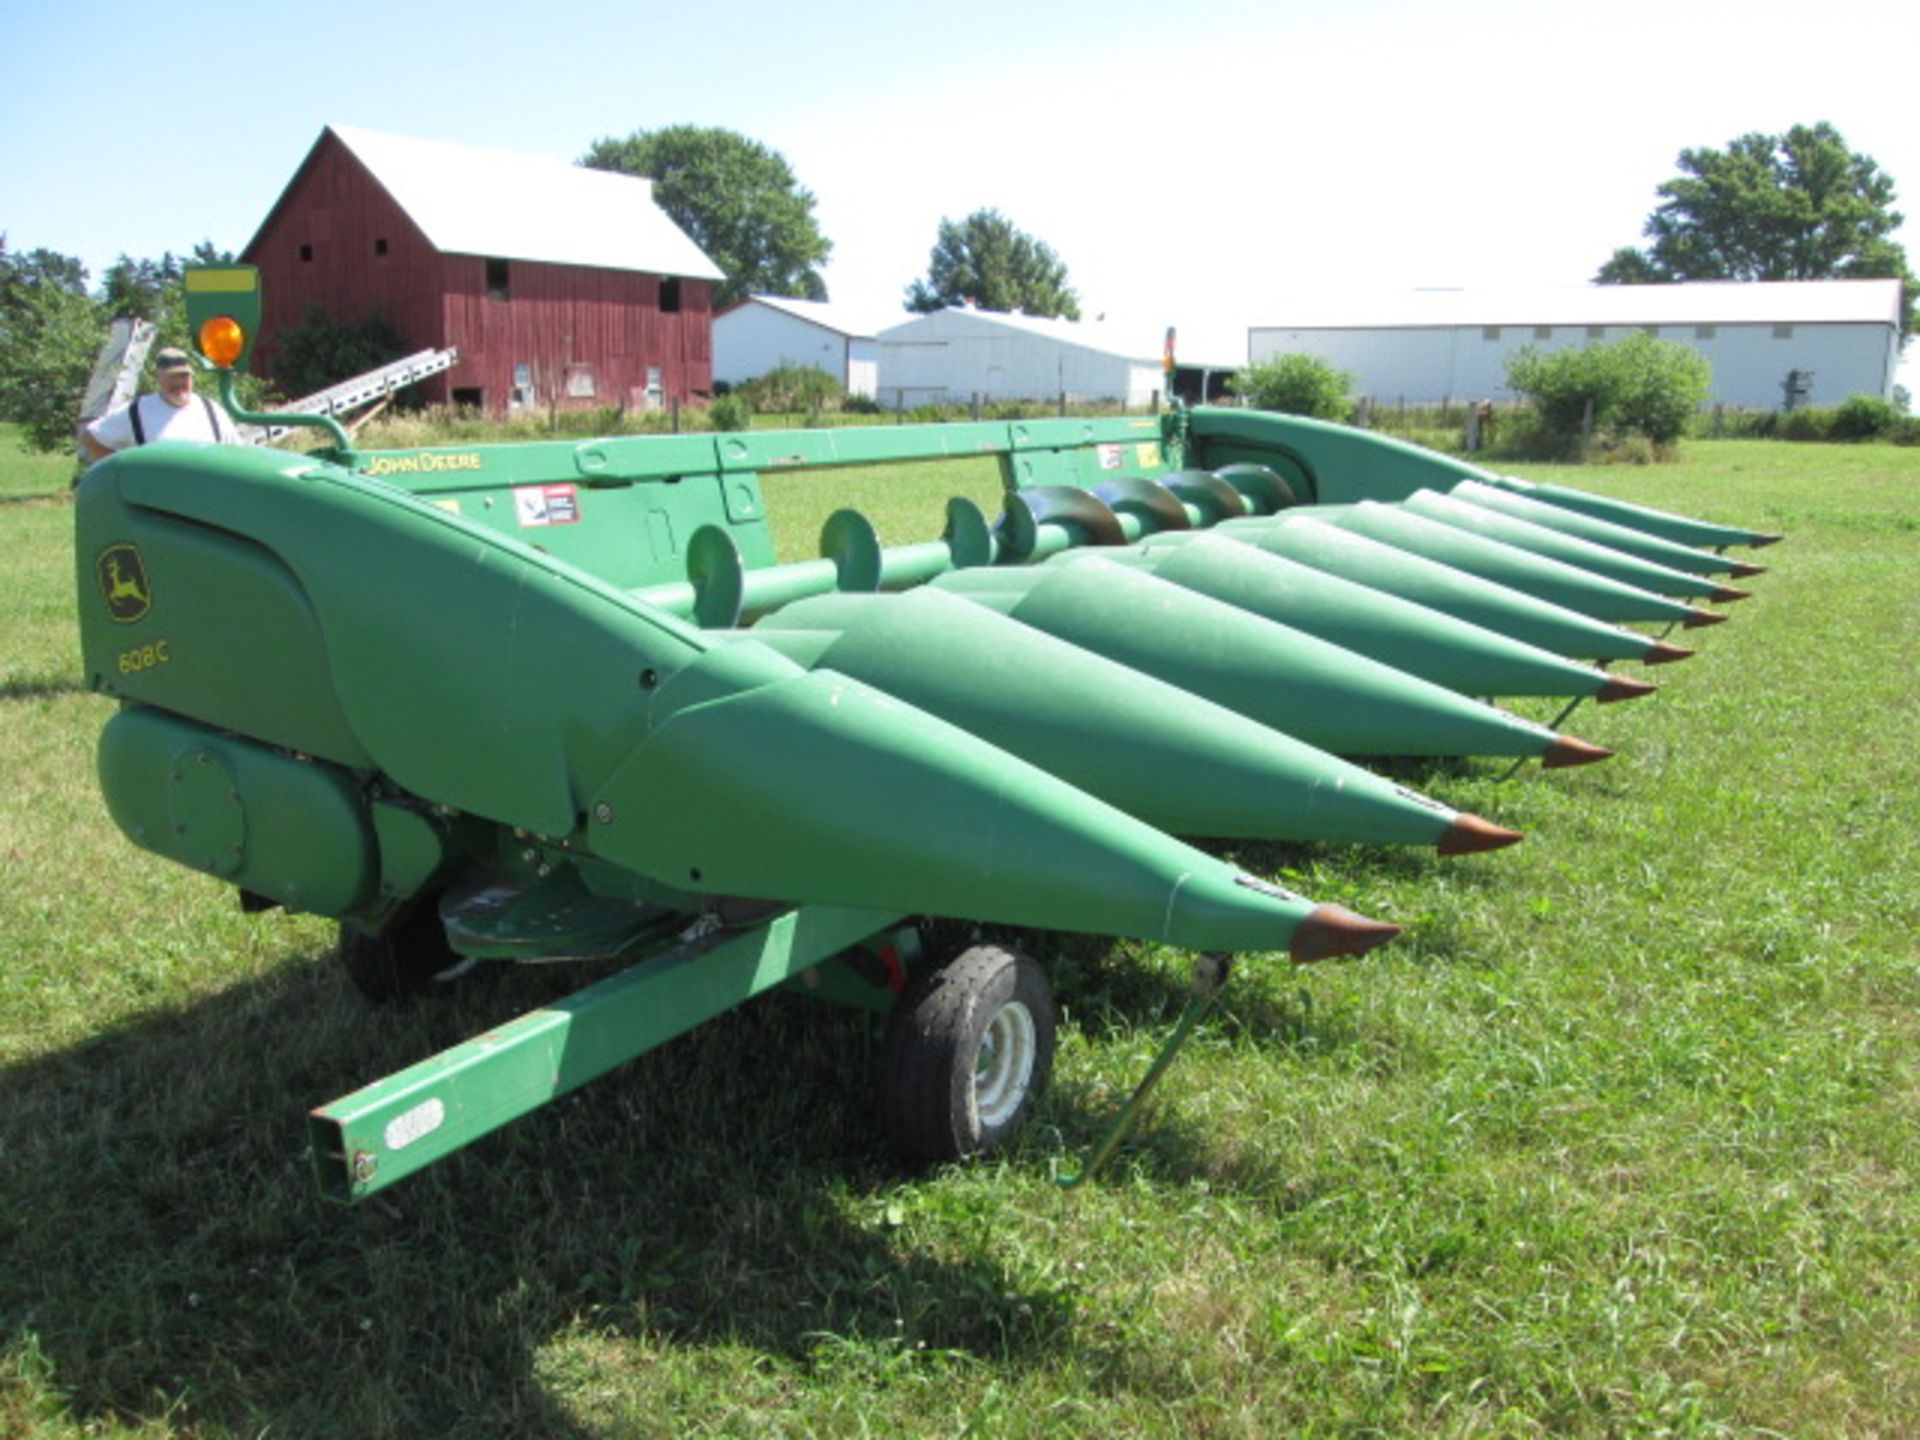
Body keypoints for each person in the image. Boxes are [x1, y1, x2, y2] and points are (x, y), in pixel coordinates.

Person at [80, 346, 240, 462]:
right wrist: (125, 472)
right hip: (156, 505)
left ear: (192, 377)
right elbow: (90, 437)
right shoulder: (137, 410)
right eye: (172, 377)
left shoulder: (211, 410)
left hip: (206, 502)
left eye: (184, 376)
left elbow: (238, 454)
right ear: (159, 377)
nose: (179, 383)